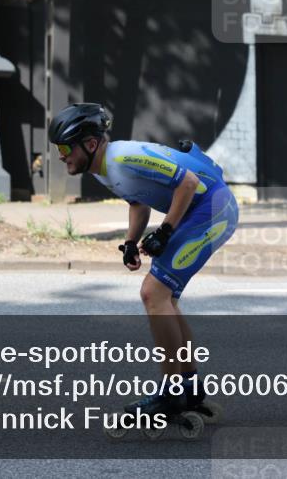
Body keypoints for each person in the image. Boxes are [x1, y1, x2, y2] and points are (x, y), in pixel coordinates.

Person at [48, 103, 238, 422]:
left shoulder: (122, 157)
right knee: (165, 298)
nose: (61, 156)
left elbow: (188, 183)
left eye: (65, 147)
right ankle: (188, 385)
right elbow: (139, 203)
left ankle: (170, 391)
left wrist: (165, 232)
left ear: (90, 143)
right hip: (201, 210)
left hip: (211, 209)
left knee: (154, 294)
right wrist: (131, 242)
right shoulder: (104, 168)